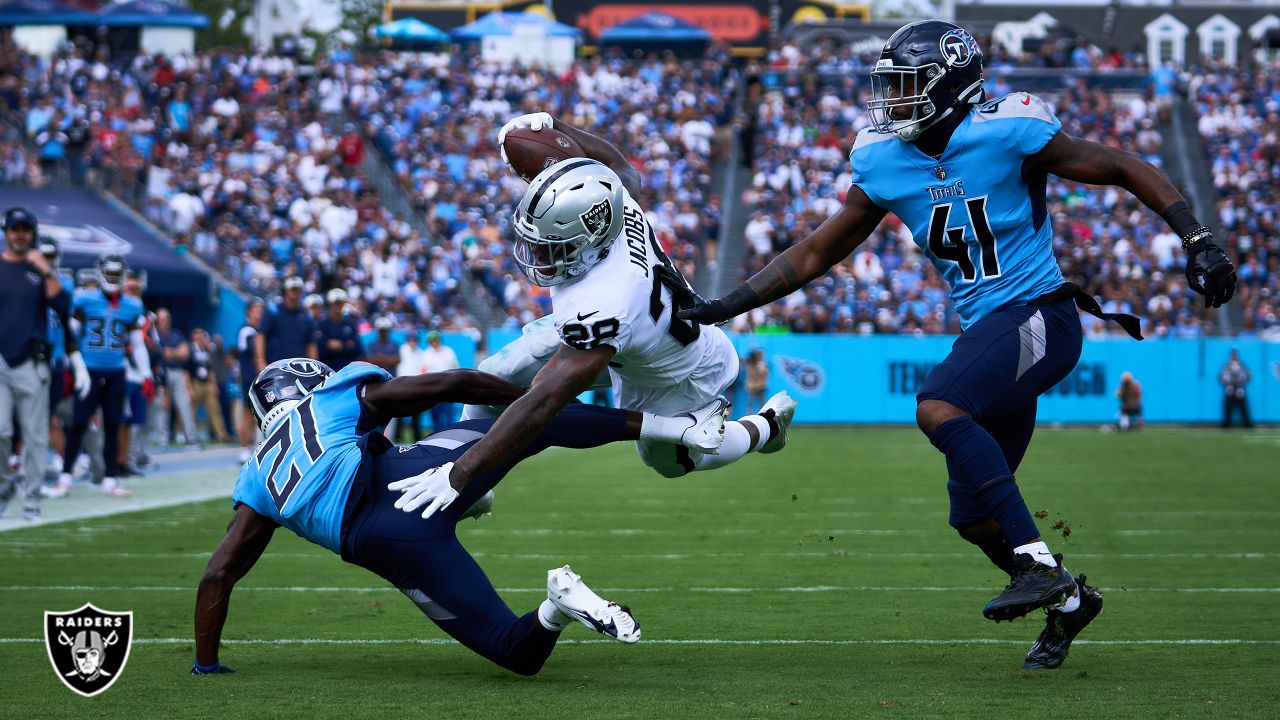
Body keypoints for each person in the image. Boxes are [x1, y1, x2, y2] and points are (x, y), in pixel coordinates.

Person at [679, 20, 1238, 669]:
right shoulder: (884, 158)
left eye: (909, 85)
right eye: (890, 86)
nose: (894, 101)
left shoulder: (1007, 130)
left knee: (938, 405)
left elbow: (1119, 164)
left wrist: (1196, 238)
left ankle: (1036, 564)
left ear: (952, 83)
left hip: (1041, 317)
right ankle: (1069, 604)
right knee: (972, 519)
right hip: (993, 335)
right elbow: (814, 253)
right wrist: (724, 305)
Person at [191, 358, 728, 676]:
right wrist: (530, 403)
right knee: (537, 424)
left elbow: (219, 574)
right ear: (309, 383)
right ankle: (677, 428)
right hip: (411, 476)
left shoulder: (256, 475)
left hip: (389, 542)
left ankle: (557, 607)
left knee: (515, 654)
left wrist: (207, 663)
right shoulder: (330, 399)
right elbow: (448, 383)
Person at [453, 114, 796, 489]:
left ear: (589, 238)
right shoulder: (612, 206)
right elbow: (615, 166)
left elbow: (545, 400)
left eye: (553, 244)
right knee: (491, 377)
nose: (537, 253)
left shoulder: (608, 301)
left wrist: (465, 470)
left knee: (670, 462)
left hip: (673, 373)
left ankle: (764, 428)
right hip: (638, 333)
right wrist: (555, 126)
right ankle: (469, 488)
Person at [0, 208, 83, 520]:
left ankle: (32, 499)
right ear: (6, 232)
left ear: (31, 233)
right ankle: (4, 487)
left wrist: (46, 271)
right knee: (1, 431)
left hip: (31, 363)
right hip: (0, 362)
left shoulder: (39, 269)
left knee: (35, 437)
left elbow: (63, 308)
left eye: (25, 228)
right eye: (14, 228)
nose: (19, 233)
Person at [50, 254, 151, 499]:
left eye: (118, 274)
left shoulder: (132, 305)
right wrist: (75, 367)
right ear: (100, 273)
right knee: (78, 423)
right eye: (110, 273)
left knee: (113, 425)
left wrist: (146, 373)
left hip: (116, 372)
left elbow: (137, 343)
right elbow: (71, 335)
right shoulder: (84, 299)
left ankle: (110, 478)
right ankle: (65, 477)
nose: (113, 279)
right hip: (89, 371)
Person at [255, 276, 317, 373]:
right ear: (285, 291)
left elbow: (310, 343)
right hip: (275, 368)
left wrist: (314, 367)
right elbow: (261, 336)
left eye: (298, 289)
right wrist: (260, 361)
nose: (295, 292)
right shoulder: (273, 311)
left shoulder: (306, 316)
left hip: (299, 370)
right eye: (292, 289)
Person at [156, 308, 197, 446]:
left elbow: (185, 353)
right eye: (161, 319)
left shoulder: (176, 334)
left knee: (184, 404)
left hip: (179, 372)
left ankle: (191, 438)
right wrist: (176, 352)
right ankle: (164, 439)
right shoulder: (155, 335)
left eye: (166, 318)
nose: (164, 321)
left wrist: (169, 352)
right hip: (162, 373)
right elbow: (160, 354)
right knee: (163, 406)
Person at [236, 299, 265, 464]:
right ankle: (243, 450)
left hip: (260, 378)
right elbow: (254, 351)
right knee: (248, 414)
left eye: (261, 309)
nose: (259, 312)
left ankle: (258, 447)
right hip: (249, 378)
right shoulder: (246, 331)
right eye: (255, 309)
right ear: (248, 311)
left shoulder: (260, 331)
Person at [189, 328, 230, 443]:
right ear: (193, 336)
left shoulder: (206, 351)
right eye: (198, 335)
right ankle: (190, 435)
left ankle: (222, 435)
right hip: (195, 381)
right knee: (191, 411)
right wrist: (190, 387)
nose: (201, 337)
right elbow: (186, 370)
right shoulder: (190, 349)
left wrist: (214, 384)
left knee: (215, 409)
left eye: (202, 335)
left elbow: (211, 369)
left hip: (207, 382)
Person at [314, 288, 362, 371]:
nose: (338, 306)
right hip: (328, 371)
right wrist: (346, 345)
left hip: (348, 371)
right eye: (335, 303)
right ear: (330, 304)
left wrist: (339, 345)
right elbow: (321, 348)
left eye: (340, 303)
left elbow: (357, 349)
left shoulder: (350, 324)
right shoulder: (322, 324)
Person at [421, 331, 460, 432]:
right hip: (433, 388)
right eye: (432, 340)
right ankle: (437, 436)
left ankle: (451, 434)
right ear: (429, 341)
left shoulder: (448, 351)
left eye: (436, 339)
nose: (435, 342)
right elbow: (423, 372)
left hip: (448, 387)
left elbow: (455, 367)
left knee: (449, 414)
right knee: (435, 415)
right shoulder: (426, 354)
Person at [1220, 350, 1253, 429]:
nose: (1234, 357)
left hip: (1239, 388)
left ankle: (1247, 424)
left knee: (1243, 407)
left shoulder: (1242, 365)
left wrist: (1241, 386)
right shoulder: (1226, 365)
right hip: (1230, 388)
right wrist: (1227, 385)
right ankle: (1226, 424)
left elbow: (1247, 376)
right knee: (1228, 407)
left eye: (1235, 355)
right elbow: (1221, 376)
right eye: (1233, 355)